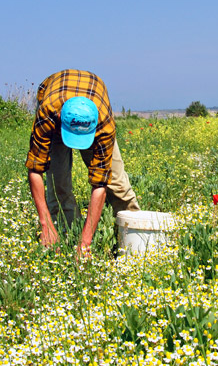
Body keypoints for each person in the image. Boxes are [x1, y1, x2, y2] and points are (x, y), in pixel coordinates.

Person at [25, 69, 140, 255]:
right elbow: (35, 168)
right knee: (58, 184)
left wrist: (86, 242)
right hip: (55, 108)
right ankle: (63, 238)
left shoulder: (104, 124)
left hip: (95, 108)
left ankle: (133, 239)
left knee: (118, 184)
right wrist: (44, 221)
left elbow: (100, 182)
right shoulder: (48, 113)